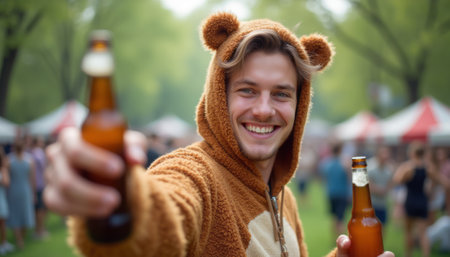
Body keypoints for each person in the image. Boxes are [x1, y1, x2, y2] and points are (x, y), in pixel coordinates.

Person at [43, 12, 394, 257]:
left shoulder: (284, 197)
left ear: (299, 108)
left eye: (282, 93)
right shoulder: (196, 174)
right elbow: (168, 213)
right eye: (247, 90)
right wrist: (128, 204)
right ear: (218, 97)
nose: (263, 109)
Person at [393, 141, 450, 257]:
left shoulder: (408, 167)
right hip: (422, 201)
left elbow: (397, 180)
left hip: (410, 201)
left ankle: (408, 254)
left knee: (409, 232)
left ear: (412, 153)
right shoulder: (428, 168)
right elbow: (444, 182)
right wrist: (432, 190)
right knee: (423, 232)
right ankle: (426, 254)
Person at [6, 140, 35, 249]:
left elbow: (6, 177)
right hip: (25, 190)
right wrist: (33, 193)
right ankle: (20, 238)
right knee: (24, 213)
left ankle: (19, 240)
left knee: (15, 214)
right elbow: (32, 179)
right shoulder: (29, 160)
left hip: (14, 190)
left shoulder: (9, 160)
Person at [320, 142, 351, 239]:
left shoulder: (327, 163)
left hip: (331, 193)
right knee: (341, 218)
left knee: (334, 217)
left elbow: (323, 178)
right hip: (342, 193)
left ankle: (335, 238)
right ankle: (342, 239)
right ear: (340, 150)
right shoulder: (344, 163)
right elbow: (349, 178)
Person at [367, 145, 394, 228]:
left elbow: (390, 184)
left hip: (383, 204)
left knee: (382, 227)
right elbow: (368, 186)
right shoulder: (370, 167)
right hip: (372, 204)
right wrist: (381, 190)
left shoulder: (389, 170)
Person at [29, 136, 49, 239]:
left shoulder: (33, 153)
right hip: (40, 184)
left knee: (38, 209)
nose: (42, 142)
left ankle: (39, 230)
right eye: (41, 141)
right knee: (40, 209)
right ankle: (40, 230)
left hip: (37, 185)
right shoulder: (38, 153)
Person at [0, 147, 13, 254]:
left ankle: (3, 243)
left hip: (1, 197)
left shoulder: (3, 168)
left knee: (2, 221)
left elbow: (6, 182)